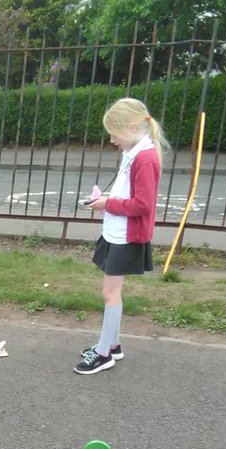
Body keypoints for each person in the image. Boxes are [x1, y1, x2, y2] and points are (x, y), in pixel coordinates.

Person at [77, 97, 169, 375]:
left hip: (126, 235)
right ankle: (112, 345)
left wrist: (107, 204)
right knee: (112, 292)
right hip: (116, 231)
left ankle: (104, 353)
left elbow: (143, 204)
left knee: (110, 293)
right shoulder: (134, 152)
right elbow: (128, 195)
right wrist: (107, 199)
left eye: (114, 133)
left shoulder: (146, 157)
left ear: (130, 127)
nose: (112, 140)